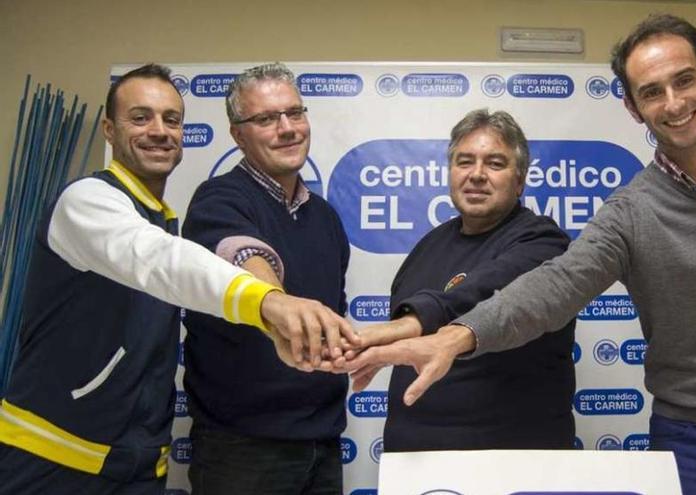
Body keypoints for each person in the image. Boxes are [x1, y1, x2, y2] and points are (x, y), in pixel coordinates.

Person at [341, 15, 696, 494]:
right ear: (632, 106)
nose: (674, 103)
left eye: (684, 80)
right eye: (652, 91)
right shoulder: (629, 211)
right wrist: (456, 338)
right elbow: (555, 286)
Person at [0, 64, 356, 495]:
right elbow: (175, 259)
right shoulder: (87, 201)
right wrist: (270, 302)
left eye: (171, 119)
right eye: (140, 117)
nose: (159, 131)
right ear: (109, 130)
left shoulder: (163, 219)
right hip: (57, 458)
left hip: (139, 461)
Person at [347, 109, 575, 452]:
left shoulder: (545, 243)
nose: (477, 175)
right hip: (413, 464)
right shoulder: (429, 245)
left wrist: (400, 327)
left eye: (495, 164)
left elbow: (480, 293)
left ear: (520, 180)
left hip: (508, 465)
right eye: (464, 162)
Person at [181, 63, 349, 495]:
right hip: (243, 451)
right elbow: (242, 252)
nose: (287, 128)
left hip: (323, 443)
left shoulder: (326, 218)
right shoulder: (219, 199)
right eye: (266, 119)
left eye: (295, 112)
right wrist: (274, 300)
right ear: (238, 134)